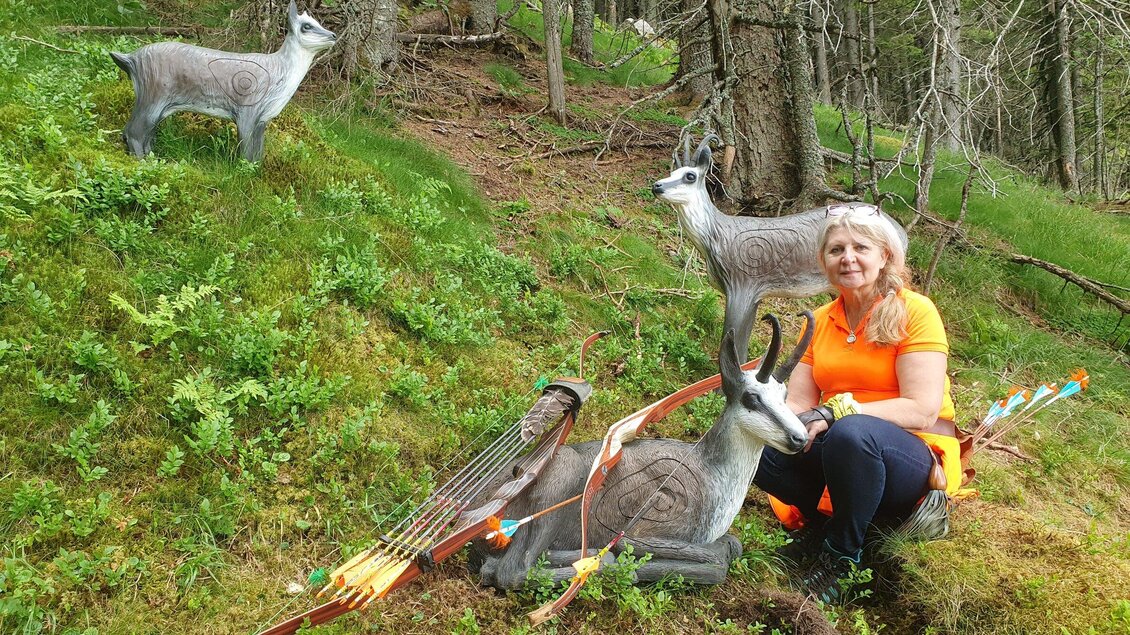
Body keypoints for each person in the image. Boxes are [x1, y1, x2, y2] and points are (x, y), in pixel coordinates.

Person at [752, 204, 961, 603]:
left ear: (884, 256)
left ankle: (842, 556)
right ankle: (819, 529)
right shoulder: (820, 319)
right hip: (843, 449)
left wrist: (837, 411)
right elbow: (798, 402)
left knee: (852, 432)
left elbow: (922, 409)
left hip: (908, 455)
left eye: (860, 247)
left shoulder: (916, 311)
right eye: (836, 250)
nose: (847, 258)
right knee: (761, 443)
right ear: (823, 262)